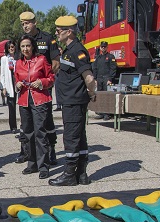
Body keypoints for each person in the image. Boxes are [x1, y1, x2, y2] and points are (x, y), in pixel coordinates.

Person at [48, 16, 96, 187]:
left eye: (59, 30)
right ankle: (81, 174)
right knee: (80, 137)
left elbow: (89, 77)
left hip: (74, 101)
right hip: (72, 100)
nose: (56, 33)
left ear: (69, 32)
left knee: (71, 137)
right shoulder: (69, 50)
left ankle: (69, 175)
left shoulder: (77, 50)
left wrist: (91, 92)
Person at [18, 11, 59, 165]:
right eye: (22, 24)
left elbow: (55, 63)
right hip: (26, 90)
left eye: (27, 23)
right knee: (26, 124)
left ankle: (51, 150)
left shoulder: (47, 39)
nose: (25, 26)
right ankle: (26, 152)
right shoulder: (22, 40)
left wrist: (44, 79)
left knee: (46, 123)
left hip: (42, 89)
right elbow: (19, 63)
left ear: (34, 22)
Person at [14, 35, 55, 179]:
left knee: (40, 133)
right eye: (23, 46)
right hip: (24, 101)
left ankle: (44, 165)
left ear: (33, 47)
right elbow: (17, 80)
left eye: (28, 46)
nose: (25, 49)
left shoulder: (42, 60)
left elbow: (51, 78)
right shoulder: (18, 63)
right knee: (28, 133)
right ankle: (32, 164)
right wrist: (17, 86)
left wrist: (42, 82)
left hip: (40, 100)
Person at [92, 41, 117, 120]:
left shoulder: (110, 57)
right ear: (100, 47)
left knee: (106, 96)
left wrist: (110, 79)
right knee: (100, 96)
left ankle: (107, 114)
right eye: (102, 47)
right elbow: (95, 68)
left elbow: (113, 69)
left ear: (107, 47)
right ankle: (101, 112)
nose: (103, 48)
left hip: (106, 78)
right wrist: (95, 79)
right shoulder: (98, 58)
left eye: (104, 47)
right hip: (99, 78)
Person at [0, 40, 17, 133]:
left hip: (18, 83)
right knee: (12, 107)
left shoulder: (18, 58)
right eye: (10, 47)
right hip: (9, 84)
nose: (11, 49)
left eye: (13, 47)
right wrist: (4, 87)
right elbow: (2, 74)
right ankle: (13, 126)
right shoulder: (4, 59)